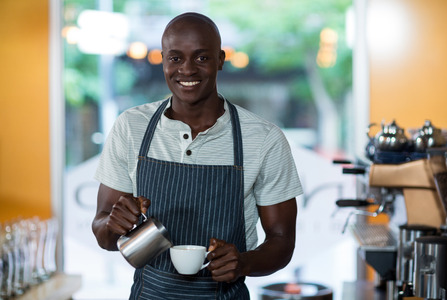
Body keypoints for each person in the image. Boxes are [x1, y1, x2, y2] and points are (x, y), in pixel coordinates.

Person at [92, 12, 302, 300]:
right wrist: (113, 224)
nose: (187, 70)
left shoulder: (264, 139)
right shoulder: (131, 127)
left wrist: (244, 263)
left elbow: (282, 242)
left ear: (220, 60)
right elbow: (104, 235)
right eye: (175, 58)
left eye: (201, 58)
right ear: (163, 60)